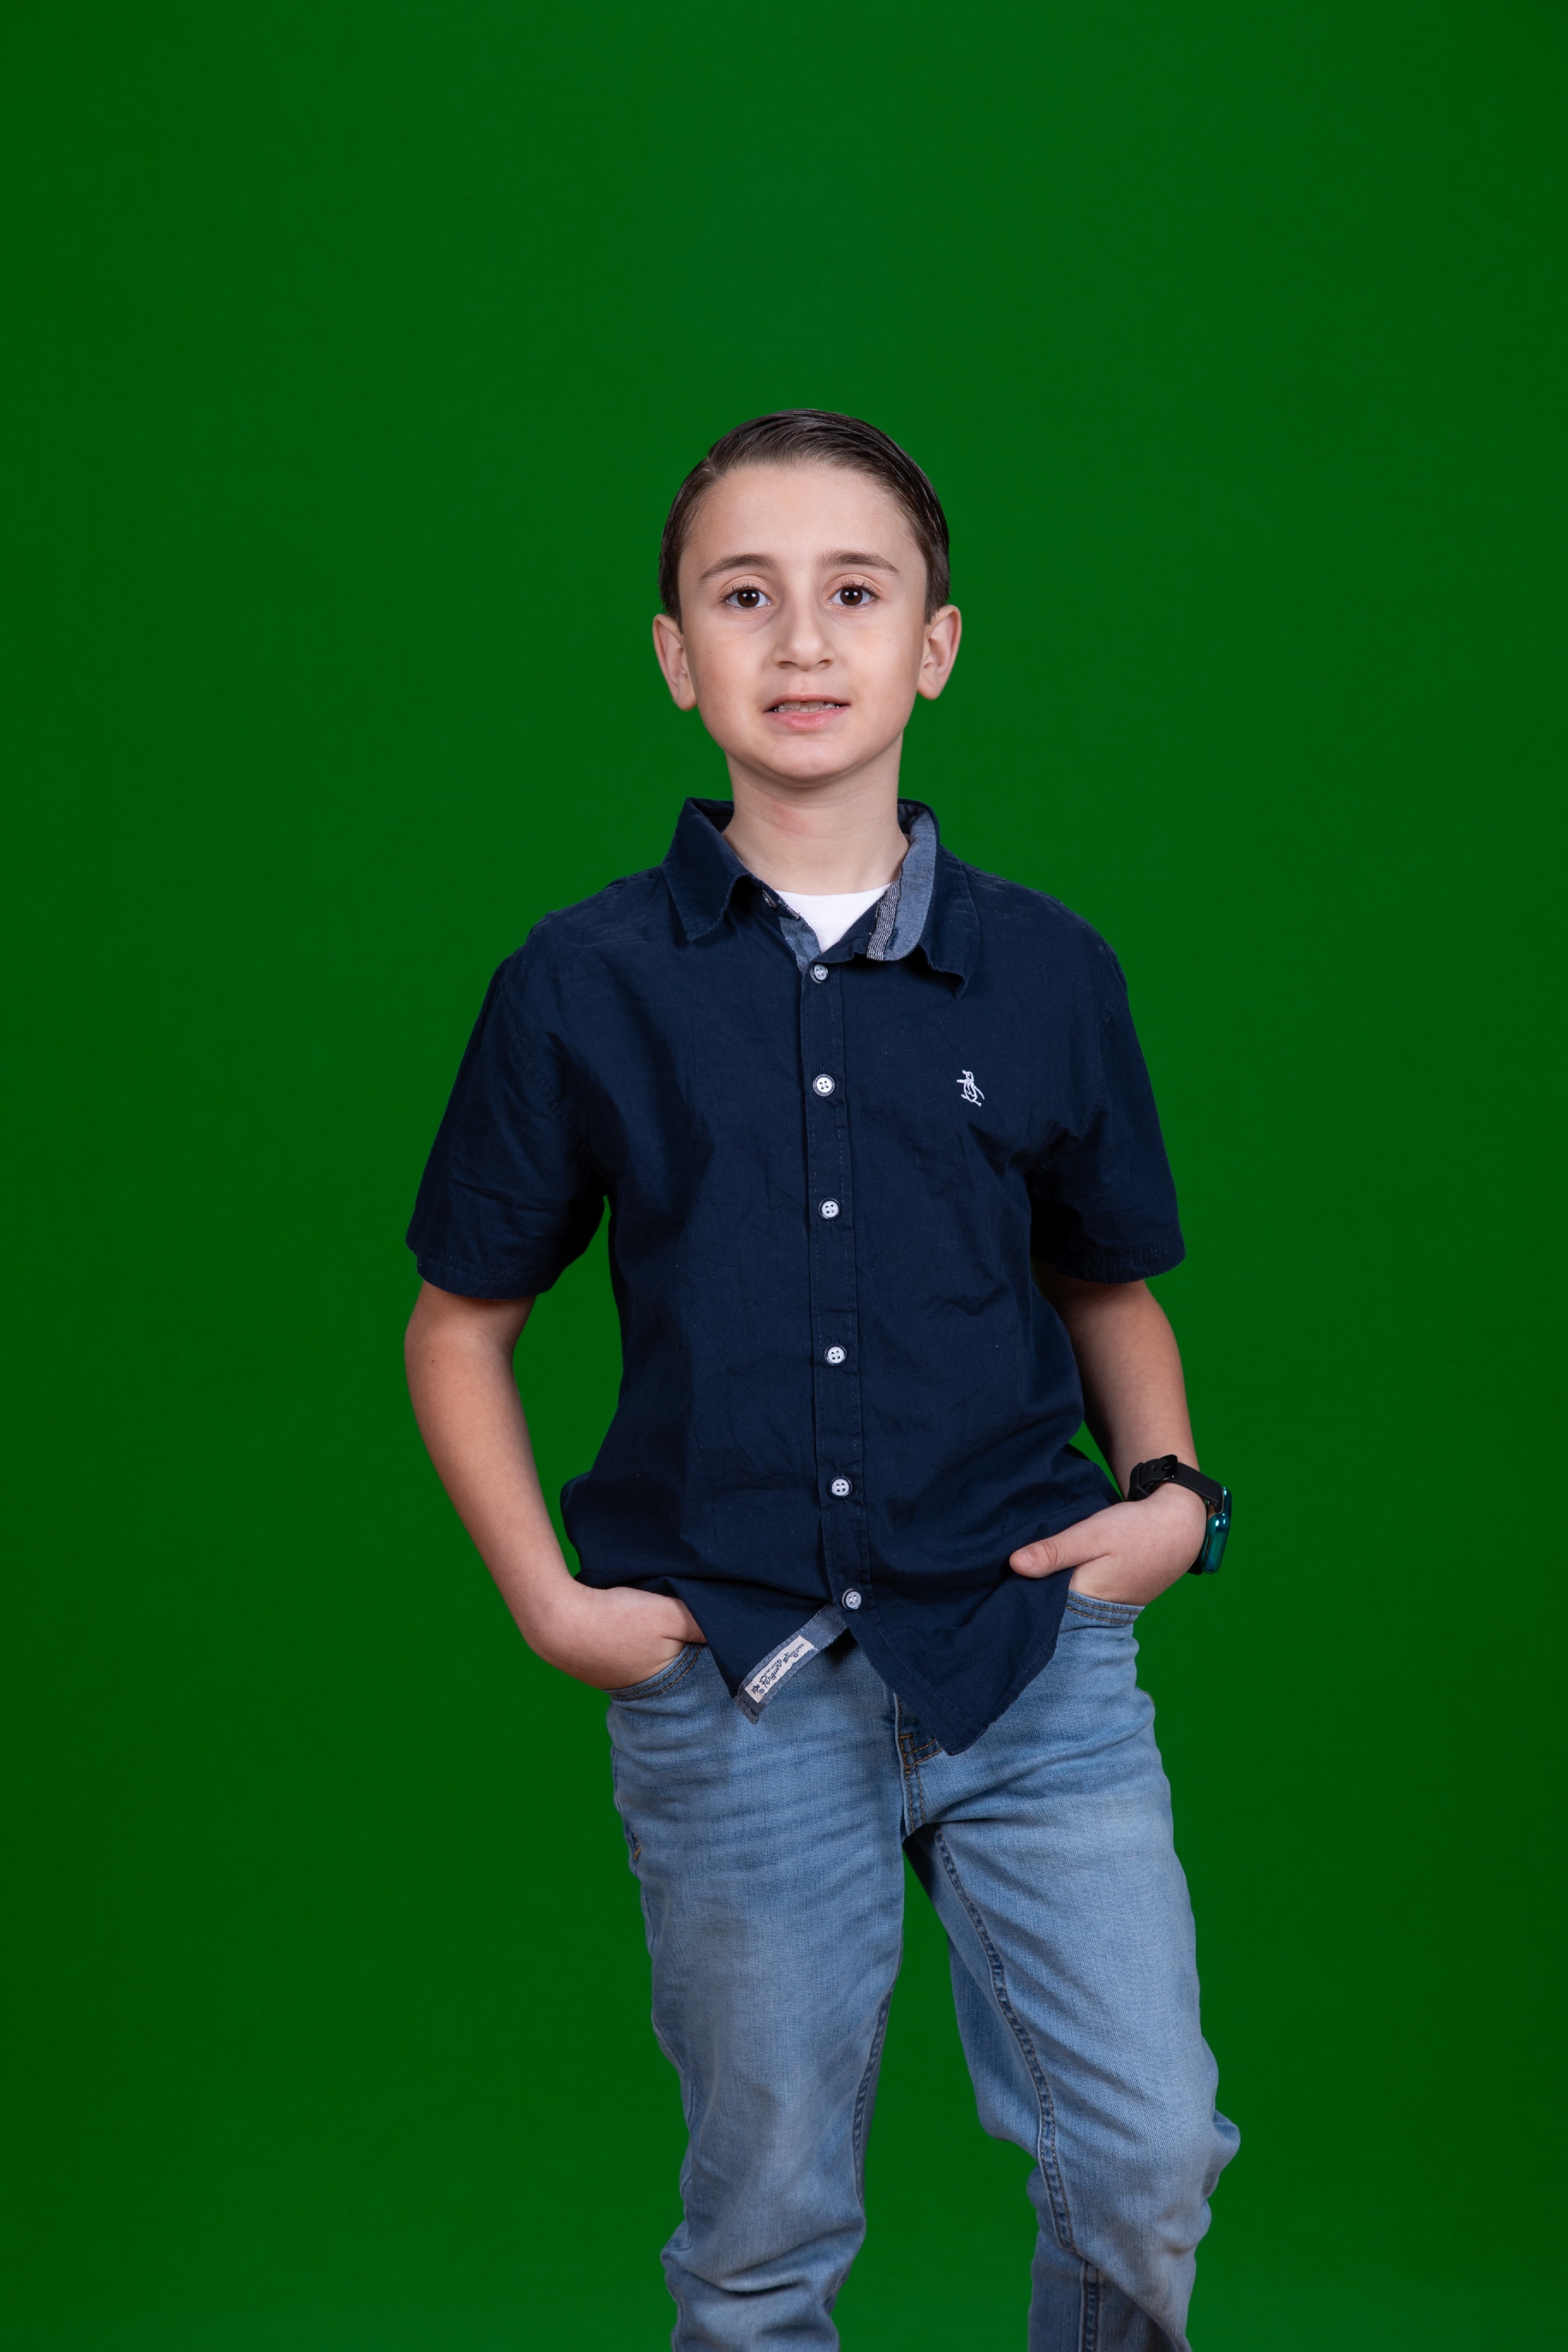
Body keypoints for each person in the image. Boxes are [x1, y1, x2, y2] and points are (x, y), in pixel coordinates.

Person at [403, 410, 1238, 2350]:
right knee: (770, 2221)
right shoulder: (581, 986)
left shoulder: (1050, 973)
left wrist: (1175, 1498)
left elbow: (1106, 1286)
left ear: (932, 647)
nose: (802, 641)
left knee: (1148, 2158)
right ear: (676, 656)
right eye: (745, 597)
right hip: (740, 1682)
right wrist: (549, 1603)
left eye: (855, 595)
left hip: (1032, 1661)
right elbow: (460, 1327)